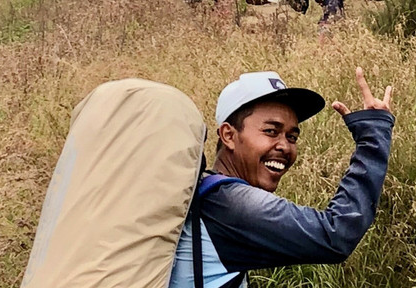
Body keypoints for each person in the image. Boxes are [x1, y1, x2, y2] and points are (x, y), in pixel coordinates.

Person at [167, 67, 394, 288]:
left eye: (292, 136)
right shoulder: (231, 204)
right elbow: (336, 234)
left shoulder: (203, 192)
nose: (285, 146)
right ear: (228, 135)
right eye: (271, 131)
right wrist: (373, 136)